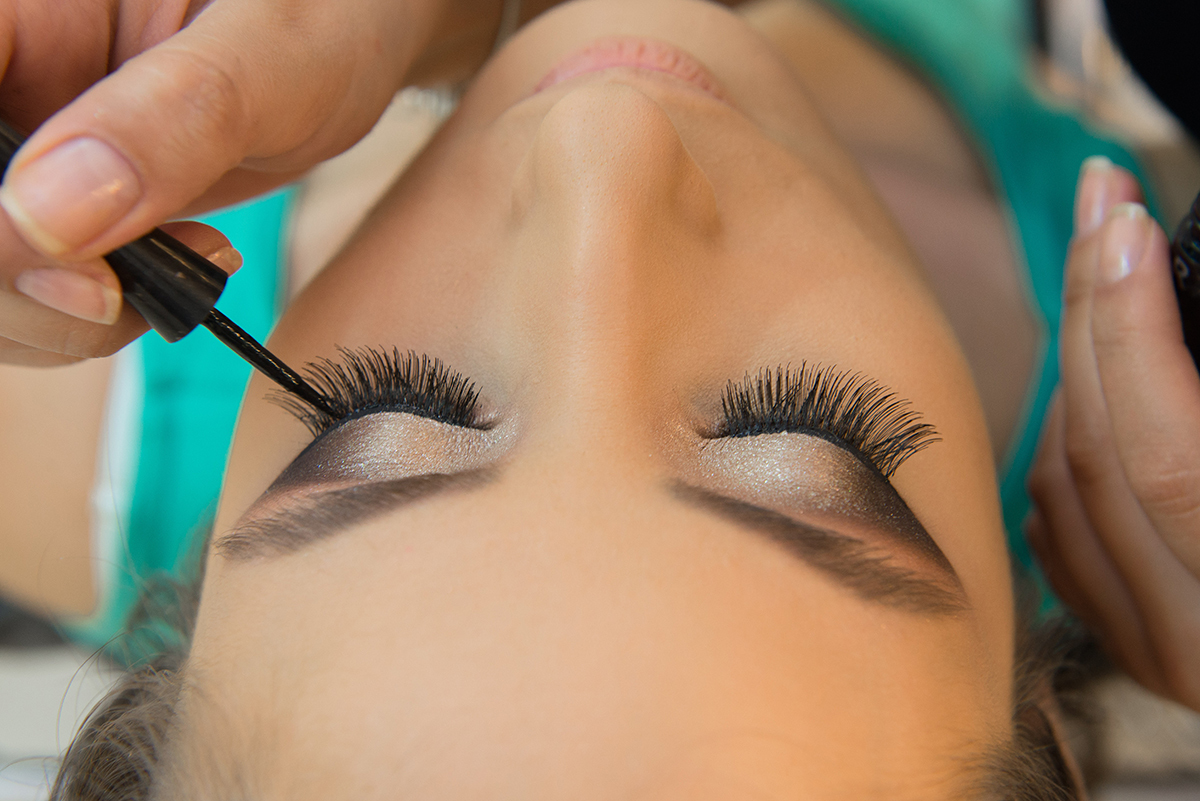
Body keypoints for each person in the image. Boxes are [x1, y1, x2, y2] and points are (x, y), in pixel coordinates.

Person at [0, 0, 1196, 797]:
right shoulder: (1158, 381)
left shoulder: (68, 417)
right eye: (808, 447)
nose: (602, 145)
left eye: (380, 420)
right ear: (1040, 731)